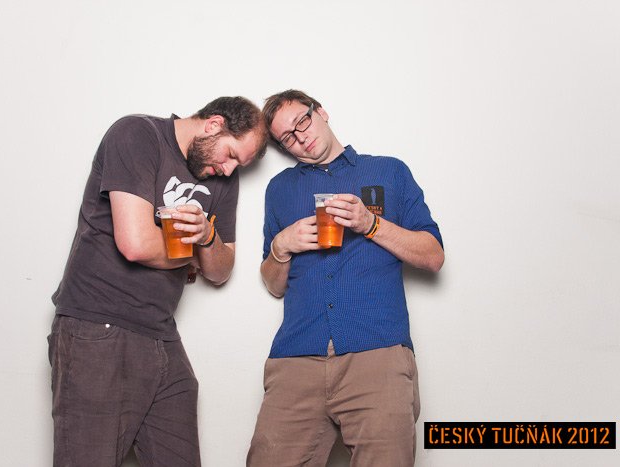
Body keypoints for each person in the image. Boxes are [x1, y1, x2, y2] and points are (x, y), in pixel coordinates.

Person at [49, 96, 267, 467]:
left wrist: (207, 238)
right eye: (231, 155)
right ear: (213, 124)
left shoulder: (223, 179)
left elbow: (220, 270)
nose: (229, 170)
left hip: (160, 333)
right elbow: (135, 244)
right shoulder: (137, 134)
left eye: (239, 165)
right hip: (97, 326)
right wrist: (193, 257)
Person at [247, 90, 444, 467]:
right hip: (296, 358)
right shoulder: (280, 189)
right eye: (287, 137)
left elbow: (433, 256)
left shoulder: (389, 171)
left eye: (302, 121)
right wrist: (281, 247)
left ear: (320, 112)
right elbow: (274, 284)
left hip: (377, 353)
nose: (300, 137)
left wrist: (371, 224)